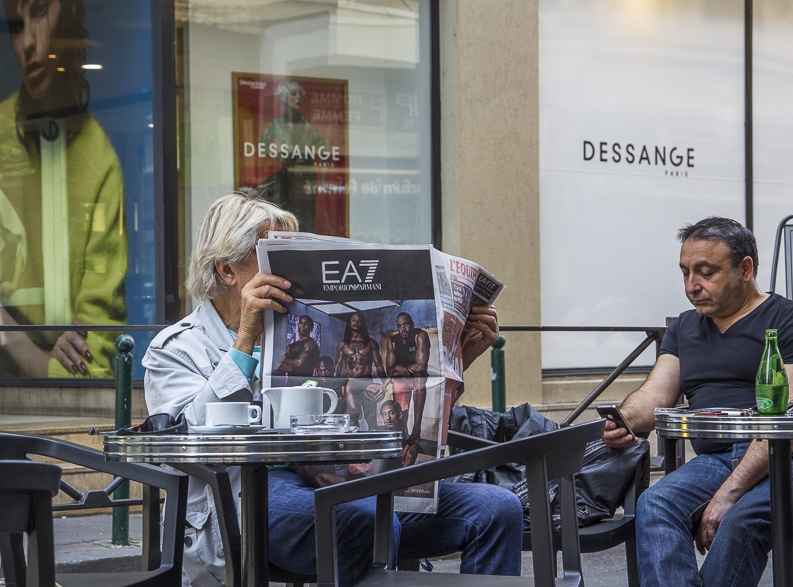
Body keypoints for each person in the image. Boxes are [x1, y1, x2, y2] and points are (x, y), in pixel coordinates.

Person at [143, 192, 522, 587]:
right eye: (276, 257)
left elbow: (389, 404)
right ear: (227, 271)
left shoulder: (302, 328)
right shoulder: (177, 347)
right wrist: (244, 341)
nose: (293, 275)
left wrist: (459, 357)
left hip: (345, 474)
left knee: (497, 509)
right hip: (250, 496)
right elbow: (185, 440)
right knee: (365, 520)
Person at [603, 217, 793, 587]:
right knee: (655, 504)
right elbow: (654, 395)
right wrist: (624, 419)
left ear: (745, 268)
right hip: (714, 460)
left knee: (740, 518)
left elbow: (790, 423)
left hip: (791, 457)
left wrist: (728, 495)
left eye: (706, 272)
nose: (692, 286)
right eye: (685, 272)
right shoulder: (684, 327)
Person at [0, 0, 127, 378]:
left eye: (39, 11)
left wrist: (12, 339)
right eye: (16, 25)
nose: (28, 42)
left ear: (69, 17)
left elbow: (93, 369)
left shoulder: (98, 158)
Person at [256, 80, 328, 232]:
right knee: (287, 216)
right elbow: (263, 143)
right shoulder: (277, 124)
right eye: (293, 94)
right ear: (284, 97)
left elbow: (323, 149)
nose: (298, 98)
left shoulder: (306, 123)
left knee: (306, 217)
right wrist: (281, 157)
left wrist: (322, 170)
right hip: (288, 176)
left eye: (299, 94)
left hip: (306, 177)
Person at [385, 311, 430, 443]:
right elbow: (390, 369)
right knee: (397, 384)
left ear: (412, 324)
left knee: (419, 380)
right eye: (399, 326)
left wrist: (400, 369)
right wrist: (399, 369)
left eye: (406, 324)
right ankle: (403, 430)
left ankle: (417, 429)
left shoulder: (420, 335)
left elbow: (421, 366)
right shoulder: (392, 341)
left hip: (416, 377)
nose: (402, 328)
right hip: (402, 378)